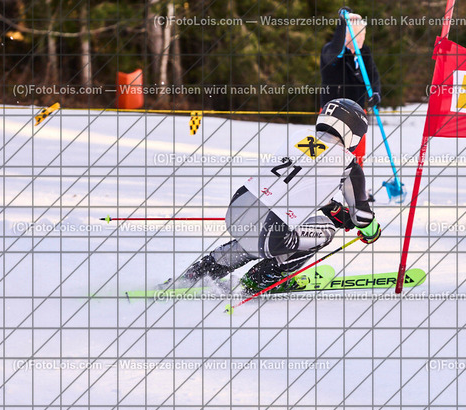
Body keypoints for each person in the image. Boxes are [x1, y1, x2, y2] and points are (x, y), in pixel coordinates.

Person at [161, 99, 381, 294]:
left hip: (238, 209)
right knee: (325, 230)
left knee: (255, 238)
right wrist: (371, 231)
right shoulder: (347, 163)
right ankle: (261, 279)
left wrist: (334, 209)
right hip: (270, 230)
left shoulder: (299, 136)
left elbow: (301, 183)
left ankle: (196, 274)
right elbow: (361, 216)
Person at [320, 7, 382, 167]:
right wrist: (342, 23)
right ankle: (328, 181)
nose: (361, 38)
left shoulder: (364, 52)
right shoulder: (332, 52)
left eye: (363, 33)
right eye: (356, 34)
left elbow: (373, 76)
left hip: (358, 112)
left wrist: (376, 93)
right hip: (334, 111)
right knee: (330, 155)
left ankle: (356, 181)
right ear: (345, 35)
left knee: (357, 155)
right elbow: (335, 50)